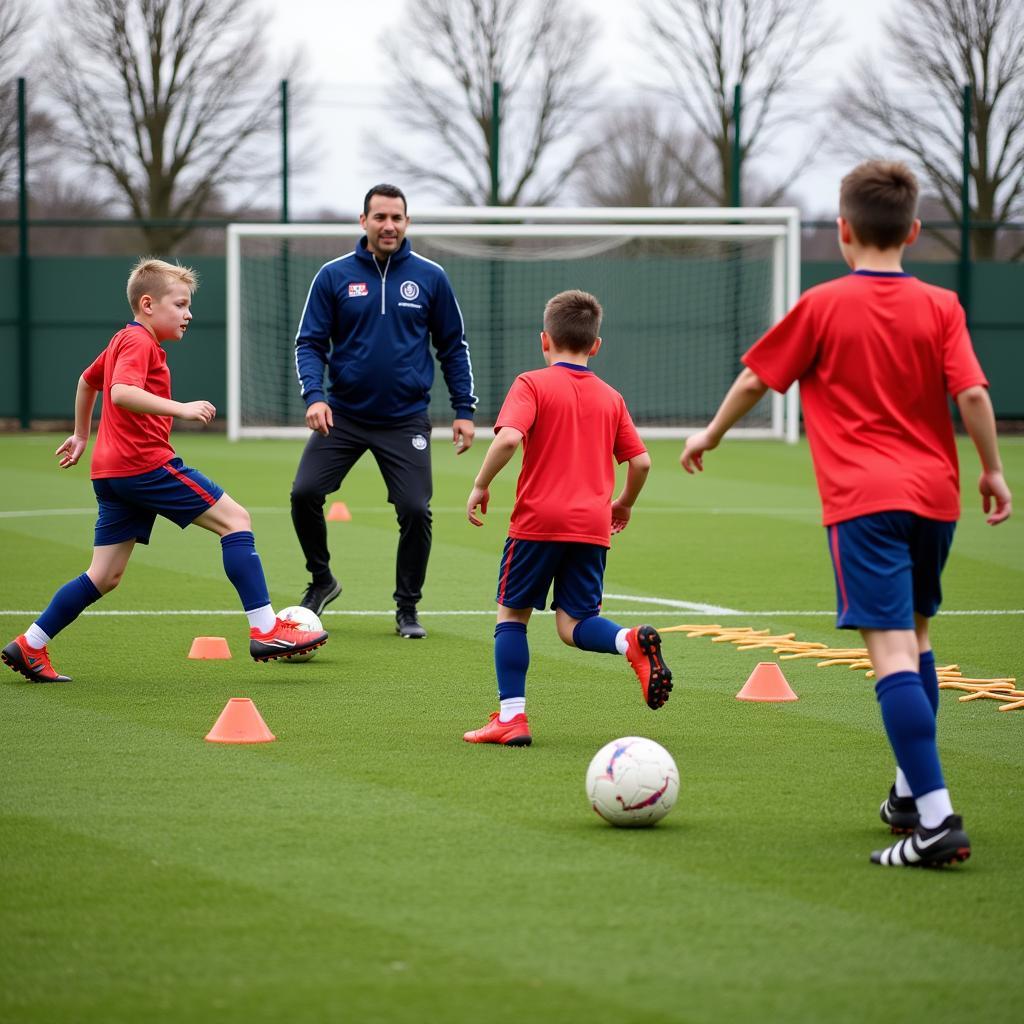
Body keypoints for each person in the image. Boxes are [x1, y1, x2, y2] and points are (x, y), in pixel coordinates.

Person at [680, 160, 1012, 867]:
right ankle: (905, 795)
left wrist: (710, 434)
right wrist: (992, 469)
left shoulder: (825, 304)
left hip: (864, 504)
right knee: (918, 640)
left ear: (842, 230)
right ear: (914, 231)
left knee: (890, 650)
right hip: (935, 500)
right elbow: (976, 396)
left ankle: (936, 820)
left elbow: (755, 378)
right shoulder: (943, 306)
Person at [1, 258, 328, 683]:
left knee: (104, 575)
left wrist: (83, 435)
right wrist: (183, 409)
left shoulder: (122, 340)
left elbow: (88, 381)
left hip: (111, 475)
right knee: (236, 520)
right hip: (145, 466)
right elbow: (120, 393)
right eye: (181, 303)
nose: (189, 313)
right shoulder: (138, 342)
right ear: (149, 304)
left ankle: (30, 645)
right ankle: (266, 629)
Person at [463, 289, 673, 747]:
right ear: (595, 345)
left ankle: (512, 719)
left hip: (538, 522)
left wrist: (481, 483)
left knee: (512, 615)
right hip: (592, 527)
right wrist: (625, 503)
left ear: (545, 340)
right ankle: (628, 641)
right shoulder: (611, 397)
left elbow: (508, 439)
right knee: (573, 624)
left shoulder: (531, 384)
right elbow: (641, 463)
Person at [290, 183, 477, 639]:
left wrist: (464, 408)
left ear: (407, 223)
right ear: (364, 222)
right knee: (303, 493)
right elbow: (310, 343)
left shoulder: (431, 277)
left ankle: (407, 607)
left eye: (396, 217)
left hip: (406, 419)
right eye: (380, 217)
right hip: (344, 416)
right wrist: (315, 396)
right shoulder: (333, 276)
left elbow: (453, 347)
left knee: (415, 510)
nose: (388, 225)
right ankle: (322, 580)